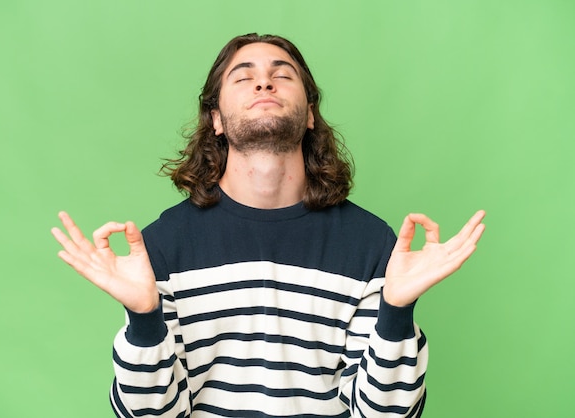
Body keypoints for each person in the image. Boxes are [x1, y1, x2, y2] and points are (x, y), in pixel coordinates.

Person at [51, 33, 485, 417]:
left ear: (311, 114)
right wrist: (144, 319)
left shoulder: (370, 244)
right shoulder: (163, 246)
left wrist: (397, 312)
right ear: (216, 119)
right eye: (243, 77)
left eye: (283, 74)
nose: (264, 82)